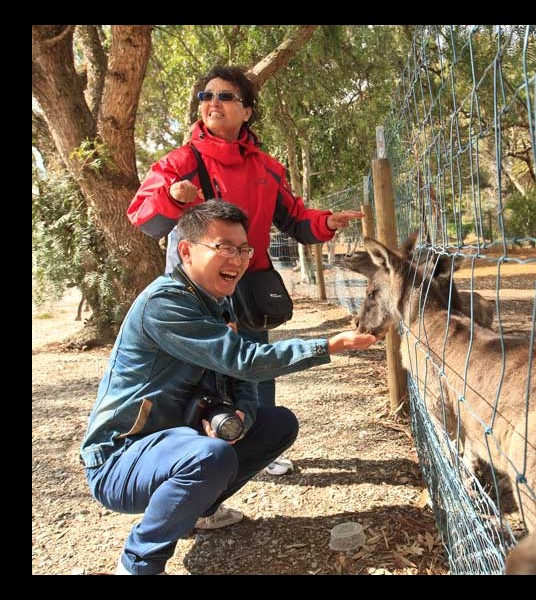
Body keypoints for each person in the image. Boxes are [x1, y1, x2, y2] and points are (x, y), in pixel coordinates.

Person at [81, 201, 377, 575]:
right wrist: (329, 345)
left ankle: (195, 512)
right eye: (223, 247)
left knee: (278, 424)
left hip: (174, 443)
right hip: (121, 458)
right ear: (186, 251)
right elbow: (245, 360)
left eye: (243, 249)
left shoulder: (219, 303)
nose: (236, 259)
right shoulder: (165, 303)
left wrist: (241, 414)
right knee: (209, 458)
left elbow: (243, 380)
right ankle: (138, 563)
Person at [127, 65, 364, 476]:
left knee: (256, 364)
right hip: (195, 290)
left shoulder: (268, 168)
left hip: (249, 284)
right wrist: (170, 194)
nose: (212, 103)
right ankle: (193, 460)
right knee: (195, 373)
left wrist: (325, 223)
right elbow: (143, 216)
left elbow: (294, 219)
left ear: (247, 111)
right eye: (206, 96)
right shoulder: (178, 162)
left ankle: (257, 446)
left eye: (225, 96)